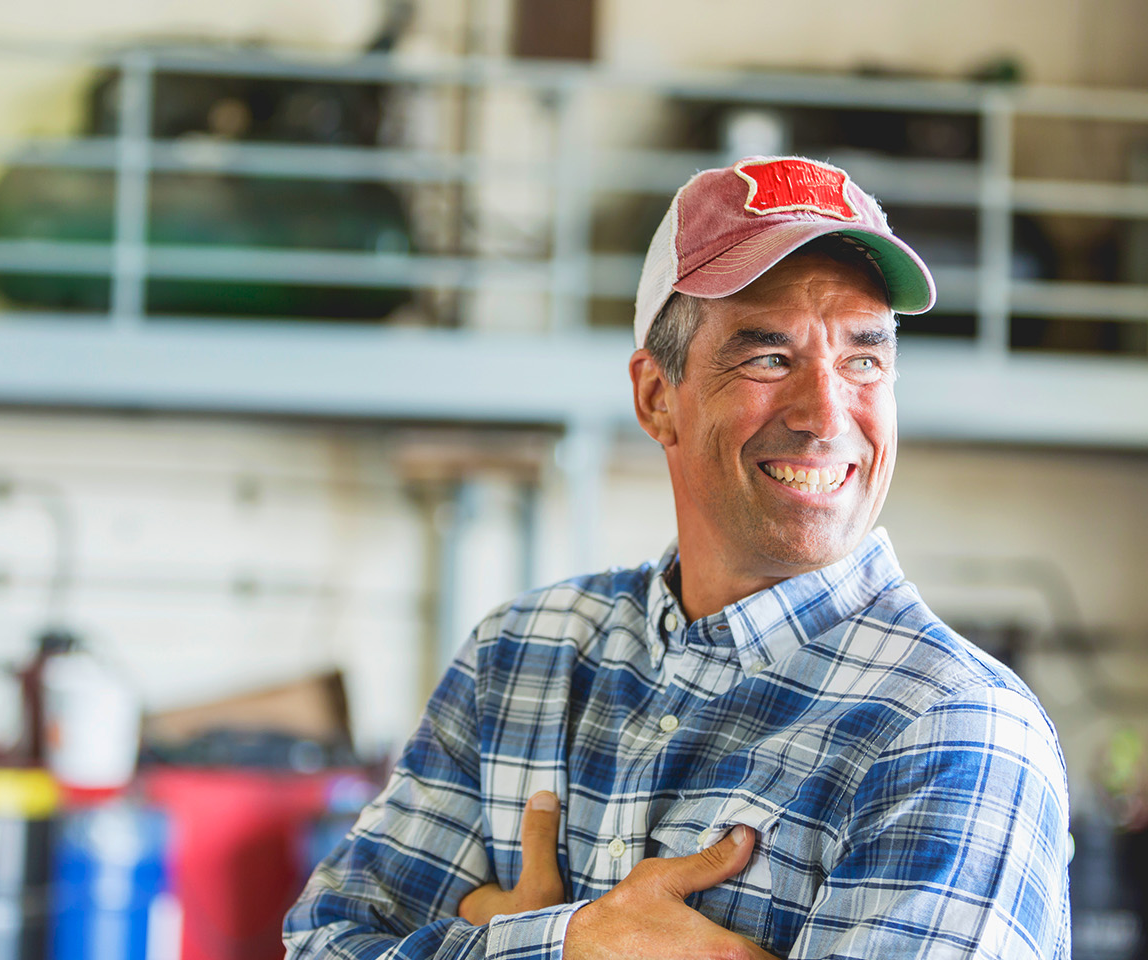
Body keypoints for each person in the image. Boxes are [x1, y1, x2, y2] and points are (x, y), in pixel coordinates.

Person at [283, 156, 1072, 959]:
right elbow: (322, 946)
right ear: (658, 397)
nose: (826, 414)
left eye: (863, 359)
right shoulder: (521, 655)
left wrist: (506, 937)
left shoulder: (954, 729)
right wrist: (572, 944)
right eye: (769, 356)